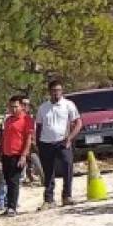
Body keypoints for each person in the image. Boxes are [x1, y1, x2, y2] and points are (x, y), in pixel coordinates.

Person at [36, 80, 82, 209]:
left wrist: (70, 138)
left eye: (58, 90)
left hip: (62, 141)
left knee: (67, 166)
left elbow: (78, 123)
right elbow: (39, 126)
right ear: (49, 92)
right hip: (46, 143)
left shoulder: (68, 105)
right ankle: (49, 199)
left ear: (62, 91)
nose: (56, 93)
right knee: (48, 171)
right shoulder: (43, 108)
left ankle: (67, 196)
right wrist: (38, 142)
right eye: (54, 90)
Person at [0, 96, 35, 216]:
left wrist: (24, 155)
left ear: (21, 106)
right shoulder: (8, 120)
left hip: (17, 154)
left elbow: (28, 139)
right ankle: (8, 205)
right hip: (6, 154)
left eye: (16, 106)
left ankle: (12, 207)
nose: (13, 109)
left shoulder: (27, 120)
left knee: (14, 181)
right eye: (11, 106)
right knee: (8, 180)